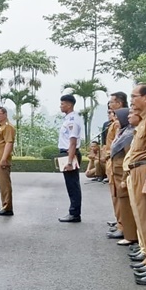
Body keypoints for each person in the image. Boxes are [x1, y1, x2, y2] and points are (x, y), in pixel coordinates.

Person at [126, 85, 146, 286]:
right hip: (138, 170)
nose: (132, 101)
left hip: (145, 171)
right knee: (143, 221)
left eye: (134, 97)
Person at [109, 108, 137, 246]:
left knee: (127, 205)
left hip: (123, 173)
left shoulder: (129, 135)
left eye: (118, 119)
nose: (116, 121)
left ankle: (130, 235)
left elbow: (128, 157)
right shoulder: (122, 133)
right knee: (123, 204)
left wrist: (126, 176)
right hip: (118, 172)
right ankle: (127, 231)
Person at [57, 94, 84, 223]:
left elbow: (72, 142)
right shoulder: (68, 119)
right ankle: (73, 212)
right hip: (66, 153)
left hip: (70, 153)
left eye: (62, 104)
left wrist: (69, 161)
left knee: (73, 185)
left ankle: (74, 213)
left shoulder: (73, 120)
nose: (61, 106)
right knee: (70, 184)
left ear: (69, 105)